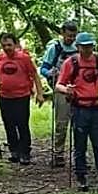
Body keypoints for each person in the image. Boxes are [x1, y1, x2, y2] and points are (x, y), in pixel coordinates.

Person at [56, 32, 98, 191]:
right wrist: (67, 90)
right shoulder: (70, 63)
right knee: (80, 145)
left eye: (90, 46)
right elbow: (59, 85)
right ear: (77, 47)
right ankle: (81, 178)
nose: (87, 50)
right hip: (80, 108)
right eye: (84, 46)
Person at [0, 33, 44, 165]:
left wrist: (40, 93)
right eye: (4, 45)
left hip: (21, 96)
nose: (7, 48)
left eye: (9, 45)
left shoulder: (24, 58)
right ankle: (14, 150)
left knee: (22, 123)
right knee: (9, 124)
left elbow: (34, 74)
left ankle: (25, 152)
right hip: (4, 96)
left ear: (15, 44)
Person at [39, 21, 80, 168]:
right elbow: (43, 68)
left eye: (74, 36)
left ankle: (79, 155)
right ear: (62, 33)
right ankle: (58, 154)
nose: (71, 39)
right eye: (69, 36)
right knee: (62, 123)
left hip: (78, 89)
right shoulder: (54, 48)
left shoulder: (79, 48)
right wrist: (50, 73)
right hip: (60, 87)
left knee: (79, 124)